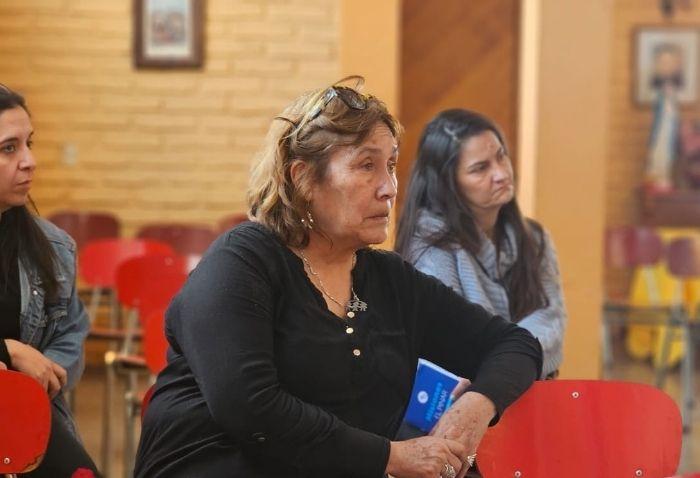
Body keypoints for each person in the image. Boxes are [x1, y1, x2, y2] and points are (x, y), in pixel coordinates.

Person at [135, 77, 542, 478]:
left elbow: (516, 344)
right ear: (303, 179)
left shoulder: (389, 279)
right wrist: (390, 457)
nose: (389, 188)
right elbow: (248, 407)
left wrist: (476, 405)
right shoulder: (242, 261)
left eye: (391, 165)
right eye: (367, 166)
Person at [395, 109, 566, 380]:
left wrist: (506, 361)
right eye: (480, 168)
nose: (501, 174)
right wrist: (519, 359)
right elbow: (454, 344)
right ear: (448, 183)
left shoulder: (535, 237)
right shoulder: (429, 248)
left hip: (530, 390)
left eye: (501, 156)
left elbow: (551, 320)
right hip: (462, 398)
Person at [0, 85, 98, 477]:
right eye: (9, 148)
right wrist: (8, 352)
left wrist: (37, 377)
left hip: (24, 413)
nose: (30, 162)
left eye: (29, 144)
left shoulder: (54, 246)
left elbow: (71, 334)